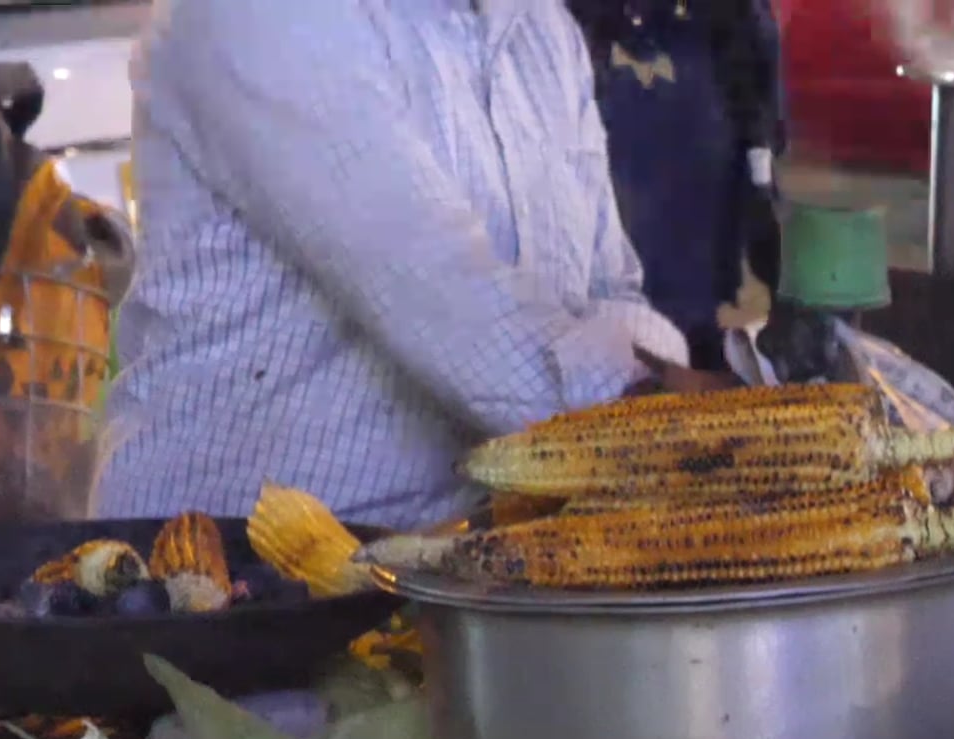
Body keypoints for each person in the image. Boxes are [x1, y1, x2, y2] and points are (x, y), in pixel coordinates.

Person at [98, 0, 734, 530]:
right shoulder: (258, 14)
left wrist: (665, 394)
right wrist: (678, 423)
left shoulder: (540, 28)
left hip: (459, 566)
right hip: (243, 583)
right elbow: (457, 311)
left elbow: (613, 292)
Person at [566, 0, 785, 373]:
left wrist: (761, 187)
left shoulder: (734, 19)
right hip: (601, 307)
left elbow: (761, 114)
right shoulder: (562, 27)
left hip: (700, 283)